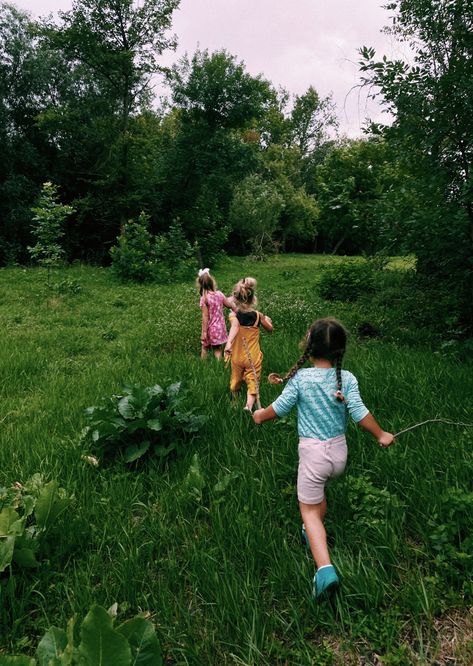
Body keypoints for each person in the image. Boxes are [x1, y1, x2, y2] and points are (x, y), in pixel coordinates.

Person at [252, 317, 395, 600]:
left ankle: (324, 569)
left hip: (314, 456)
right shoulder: (347, 379)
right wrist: (381, 434)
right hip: (338, 455)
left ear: (309, 347)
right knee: (318, 500)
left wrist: (259, 415)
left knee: (307, 510)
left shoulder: (302, 379)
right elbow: (358, 411)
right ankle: (312, 533)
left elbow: (278, 409)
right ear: (339, 351)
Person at [224, 277, 273, 412]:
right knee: (253, 381)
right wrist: (268, 320)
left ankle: (234, 400)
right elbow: (270, 329)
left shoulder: (234, 315)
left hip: (237, 356)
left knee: (235, 378)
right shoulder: (258, 316)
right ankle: (248, 405)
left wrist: (228, 344)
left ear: (236, 298)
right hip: (253, 355)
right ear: (253, 299)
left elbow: (234, 326)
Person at [197, 268, 234, 360]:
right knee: (217, 349)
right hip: (220, 327)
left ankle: (203, 366)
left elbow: (205, 316)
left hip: (210, 328)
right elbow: (229, 305)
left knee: (204, 347)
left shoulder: (204, 298)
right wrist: (234, 303)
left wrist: (204, 332)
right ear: (212, 282)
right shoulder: (219, 294)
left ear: (201, 285)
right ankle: (219, 368)